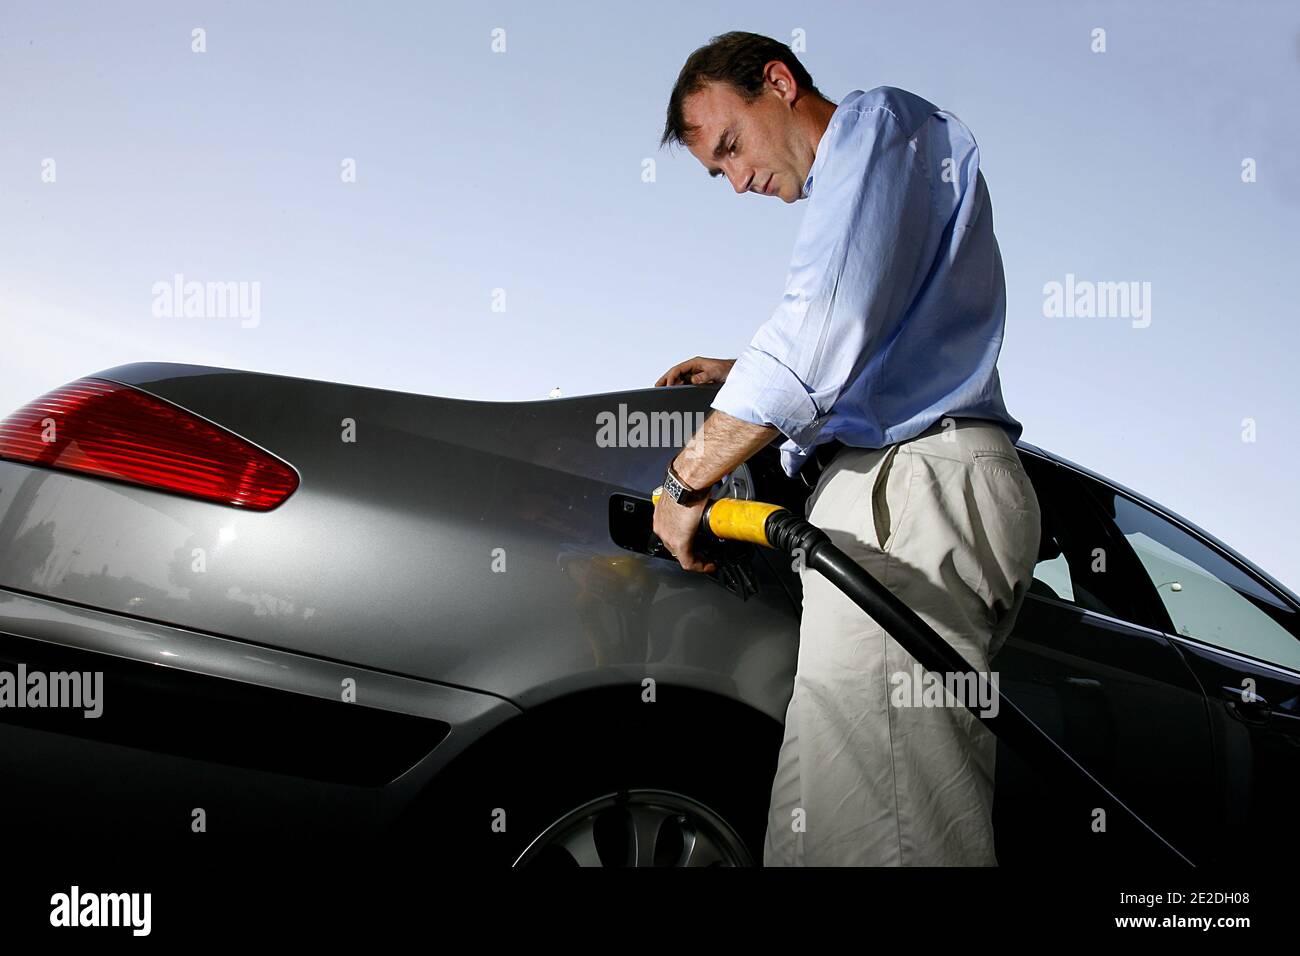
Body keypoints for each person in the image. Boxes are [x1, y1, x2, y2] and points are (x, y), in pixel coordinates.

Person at [651, 31, 1042, 866]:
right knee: (824, 829)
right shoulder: (876, 171)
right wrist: (739, 373)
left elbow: (821, 329)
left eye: (733, 145)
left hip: (910, 490)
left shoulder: (877, 126)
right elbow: (859, 331)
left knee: (890, 832)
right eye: (718, 174)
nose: (741, 179)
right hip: (892, 496)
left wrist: (685, 485)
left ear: (780, 82)